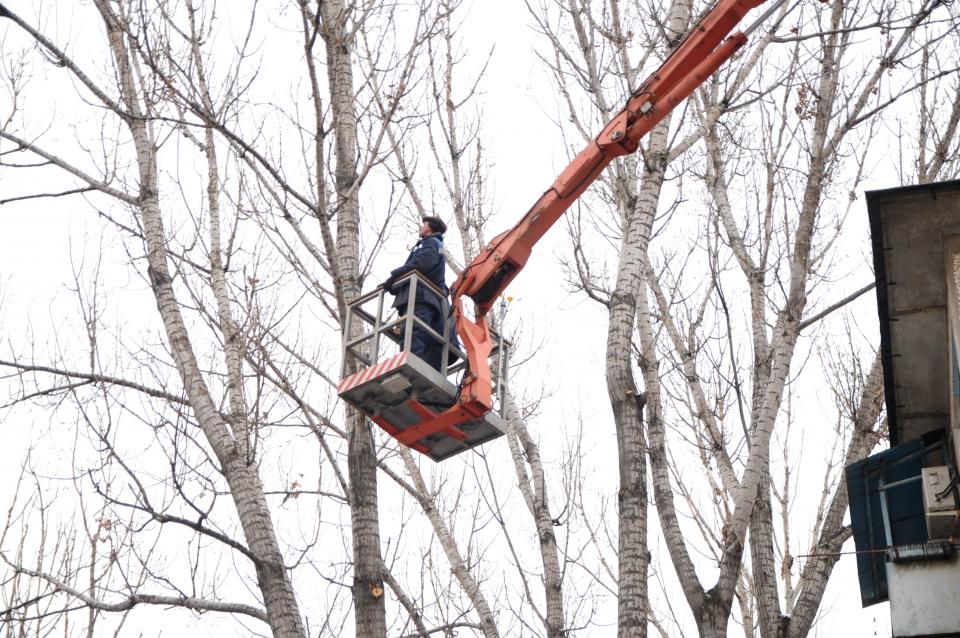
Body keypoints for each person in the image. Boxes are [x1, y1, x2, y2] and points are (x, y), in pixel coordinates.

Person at [383, 216, 453, 371]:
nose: (421, 228)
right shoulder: (433, 244)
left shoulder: (431, 244)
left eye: (423, 225)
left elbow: (420, 264)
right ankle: (409, 365)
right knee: (411, 332)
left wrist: (394, 277)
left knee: (414, 332)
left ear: (429, 228)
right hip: (421, 295)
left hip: (421, 296)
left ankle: (410, 368)